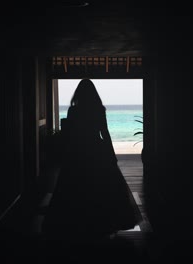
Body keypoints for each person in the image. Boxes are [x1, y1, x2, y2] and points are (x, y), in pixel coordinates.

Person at [42, 79, 142, 241]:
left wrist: (66, 153)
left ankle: (77, 224)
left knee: (75, 188)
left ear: (78, 94)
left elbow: (69, 135)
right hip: (97, 150)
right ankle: (101, 222)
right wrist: (111, 154)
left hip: (77, 152)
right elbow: (105, 132)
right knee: (101, 187)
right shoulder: (99, 109)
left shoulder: (73, 111)